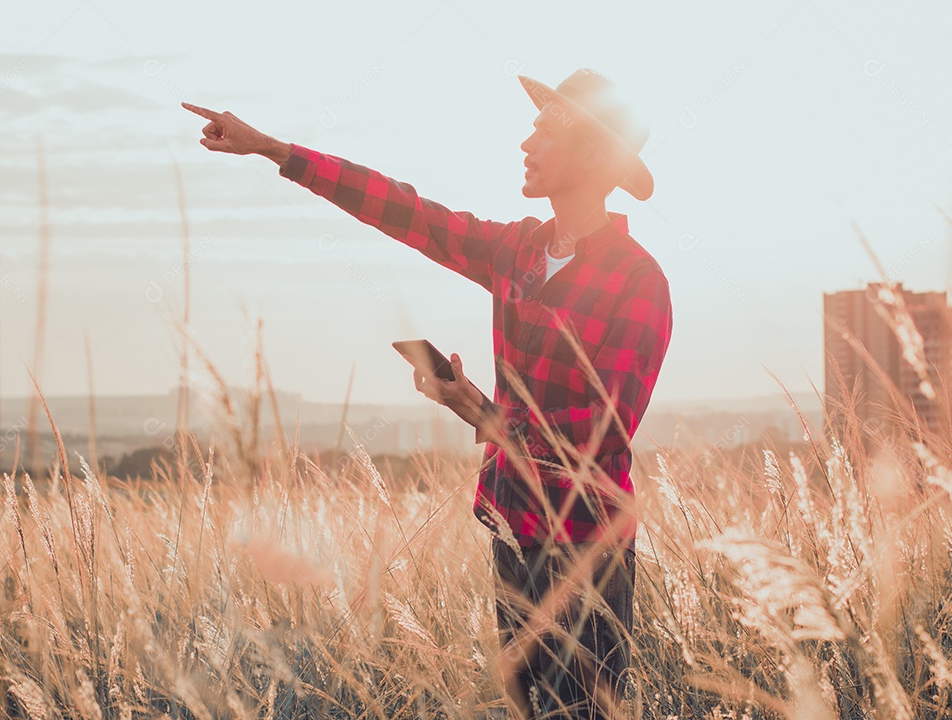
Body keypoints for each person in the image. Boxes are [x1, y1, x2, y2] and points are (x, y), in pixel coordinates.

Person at [183, 67, 673, 719]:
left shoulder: (638, 282)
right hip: (513, 532)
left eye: (543, 135)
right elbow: (404, 210)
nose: (526, 146)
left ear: (589, 154)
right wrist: (273, 148)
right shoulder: (518, 251)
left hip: (588, 549)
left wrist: (479, 413)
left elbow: (599, 432)